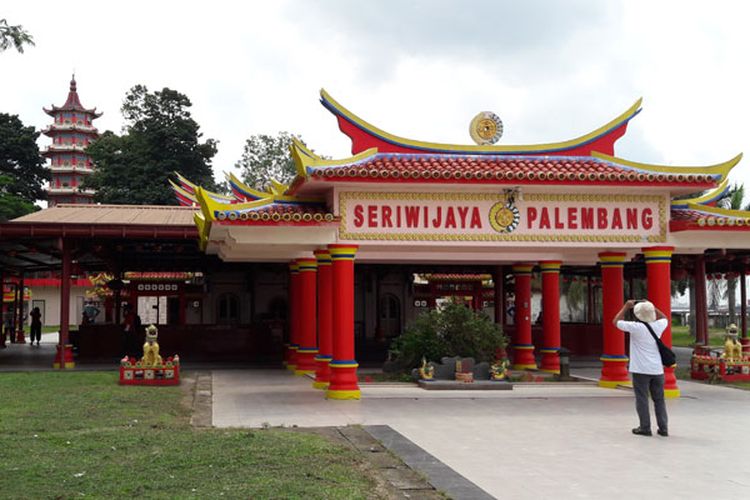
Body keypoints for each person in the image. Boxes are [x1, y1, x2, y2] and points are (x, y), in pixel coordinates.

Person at [613, 299, 669, 437]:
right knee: (659, 400)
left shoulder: (635, 327)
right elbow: (665, 318)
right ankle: (663, 428)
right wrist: (652, 307)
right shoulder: (658, 326)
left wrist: (626, 307)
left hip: (640, 369)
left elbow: (615, 322)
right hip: (657, 369)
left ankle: (645, 427)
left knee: (642, 398)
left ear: (638, 315)